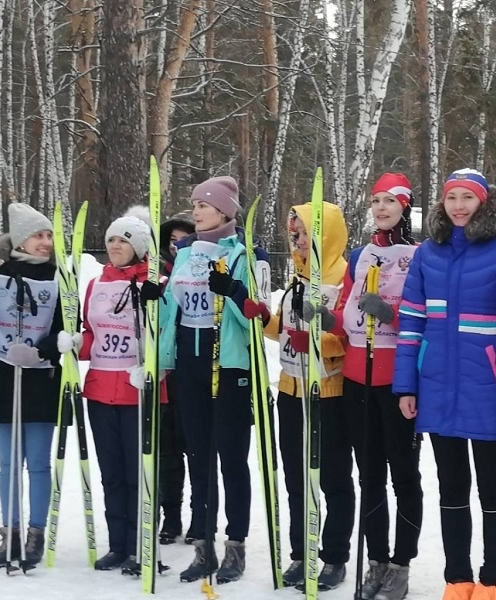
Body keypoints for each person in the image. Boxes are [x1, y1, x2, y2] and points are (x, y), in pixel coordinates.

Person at [393, 169, 496, 600]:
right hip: (437, 388)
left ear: (483, 203)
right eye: (451, 197)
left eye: (467, 198)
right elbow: (411, 324)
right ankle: (457, 580)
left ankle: (492, 581)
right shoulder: (427, 255)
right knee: (452, 488)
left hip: (489, 391)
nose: (458, 205)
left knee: (492, 488)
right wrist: (407, 386)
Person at [160, 175, 269, 584]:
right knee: (199, 458)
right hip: (190, 358)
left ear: (224, 210)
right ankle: (203, 545)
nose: (195, 210)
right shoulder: (185, 254)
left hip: (229, 362)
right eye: (194, 203)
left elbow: (259, 317)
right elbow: (172, 309)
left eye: (202, 204)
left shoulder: (246, 254)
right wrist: (155, 299)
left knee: (231, 459)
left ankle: (235, 546)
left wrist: (237, 292)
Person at [333, 173, 423, 600]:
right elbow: (345, 315)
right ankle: (377, 560)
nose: (381, 207)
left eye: (390, 201)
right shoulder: (359, 256)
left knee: (403, 476)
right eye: (375, 200)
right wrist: (322, 317)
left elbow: (426, 321)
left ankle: (401, 564)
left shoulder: (419, 256)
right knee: (369, 476)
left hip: (398, 379)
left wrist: (392, 316)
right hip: (357, 377)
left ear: (405, 206)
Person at [0, 202, 65, 569]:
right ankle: (12, 532)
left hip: (40, 377)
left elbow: (67, 327)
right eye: (39, 235)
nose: (46, 242)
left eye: (49, 235)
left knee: (37, 463)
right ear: (21, 240)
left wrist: (42, 350)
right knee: (8, 463)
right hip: (4, 375)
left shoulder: (59, 276)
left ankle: (36, 533)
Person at [263, 199, 354, 590]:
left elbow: (350, 338)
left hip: (329, 393)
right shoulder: (298, 276)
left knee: (333, 477)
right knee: (297, 478)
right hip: (290, 388)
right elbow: (282, 331)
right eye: (294, 232)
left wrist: (315, 341)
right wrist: (260, 317)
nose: (296, 239)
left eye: (303, 232)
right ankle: (302, 552)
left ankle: (333, 557)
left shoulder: (345, 276)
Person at [76, 207, 168, 572]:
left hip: (138, 391)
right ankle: (117, 545)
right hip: (100, 389)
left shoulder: (155, 284)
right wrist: (73, 344)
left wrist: (154, 365)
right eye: (111, 239)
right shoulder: (96, 284)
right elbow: (90, 334)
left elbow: (165, 334)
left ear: (140, 246)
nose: (115, 245)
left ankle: (142, 544)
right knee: (111, 472)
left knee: (139, 473)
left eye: (124, 240)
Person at [158, 211, 196, 545]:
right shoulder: (157, 276)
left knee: (196, 450)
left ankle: (201, 517)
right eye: (172, 241)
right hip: (163, 376)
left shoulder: (197, 271)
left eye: (183, 240)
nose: (176, 247)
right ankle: (170, 516)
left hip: (193, 372)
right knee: (166, 452)